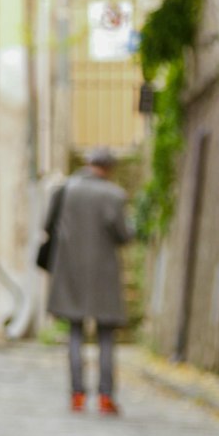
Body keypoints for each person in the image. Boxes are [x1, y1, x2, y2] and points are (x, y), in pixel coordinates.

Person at [45, 147, 132, 414]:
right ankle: (106, 396)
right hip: (104, 274)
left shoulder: (65, 190)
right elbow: (125, 234)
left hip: (71, 271)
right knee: (106, 335)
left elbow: (48, 225)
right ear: (109, 168)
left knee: (75, 332)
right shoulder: (114, 195)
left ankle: (77, 395)